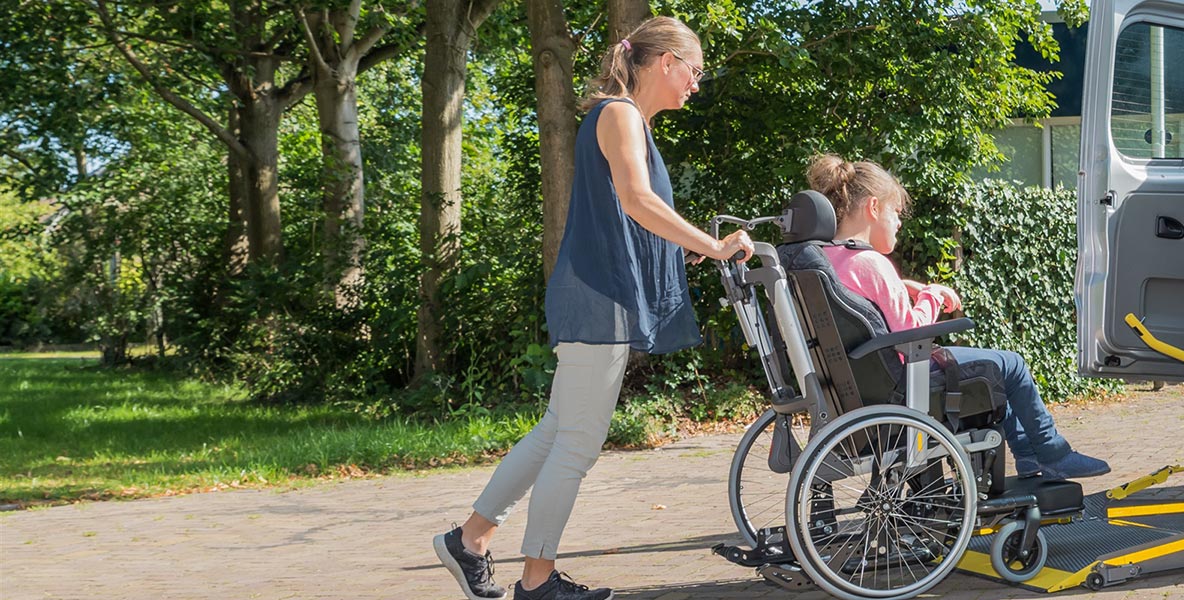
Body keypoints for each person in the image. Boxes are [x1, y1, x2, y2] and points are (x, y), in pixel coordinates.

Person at [433, 17, 754, 600]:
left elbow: (630, 212)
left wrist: (686, 249)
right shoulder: (619, 114)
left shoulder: (620, 117)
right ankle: (536, 581)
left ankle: (470, 539)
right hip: (599, 296)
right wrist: (710, 244)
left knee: (557, 431)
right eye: (695, 71)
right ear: (666, 63)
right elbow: (636, 200)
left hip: (596, 290)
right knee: (576, 443)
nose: (696, 84)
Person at [804, 153, 1110, 481]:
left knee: (991, 372)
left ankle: (1030, 460)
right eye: (895, 212)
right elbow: (910, 332)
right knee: (1012, 365)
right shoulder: (872, 263)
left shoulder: (825, 259)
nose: (898, 222)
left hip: (862, 386)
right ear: (874, 207)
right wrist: (931, 295)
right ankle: (1052, 452)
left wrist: (902, 286)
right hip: (905, 383)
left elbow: (861, 301)